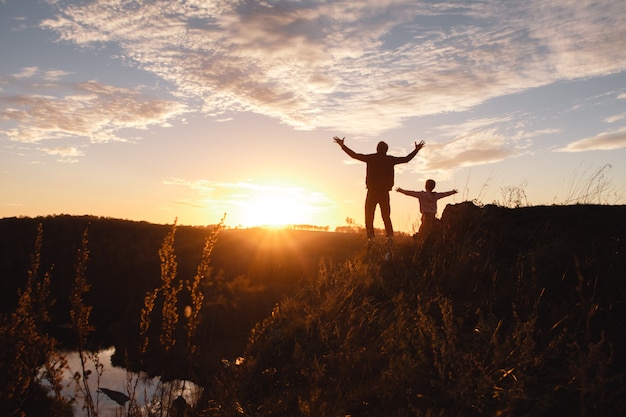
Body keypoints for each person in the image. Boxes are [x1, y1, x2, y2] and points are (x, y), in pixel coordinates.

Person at [334, 136, 425, 243]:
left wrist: (342, 146)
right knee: (386, 216)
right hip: (384, 192)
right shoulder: (390, 160)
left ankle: (371, 238)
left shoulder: (371, 158)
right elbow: (406, 159)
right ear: (386, 150)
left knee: (369, 215)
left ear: (377, 149)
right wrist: (416, 150)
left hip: (372, 192)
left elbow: (354, 155)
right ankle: (390, 237)